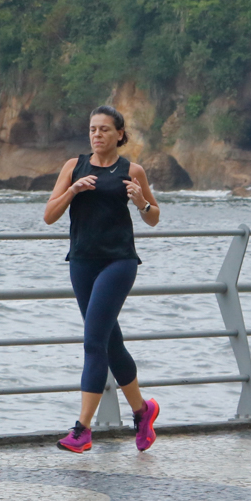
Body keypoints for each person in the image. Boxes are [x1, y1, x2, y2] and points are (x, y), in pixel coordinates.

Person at [42, 106, 162, 453]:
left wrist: (141, 202)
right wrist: (73, 191)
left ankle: (82, 430)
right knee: (110, 343)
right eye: (93, 129)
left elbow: (153, 217)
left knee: (93, 341)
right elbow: (49, 215)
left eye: (105, 130)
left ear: (120, 135)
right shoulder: (73, 167)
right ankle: (143, 412)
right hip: (81, 262)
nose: (97, 135)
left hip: (119, 262)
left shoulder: (131, 170)